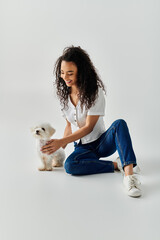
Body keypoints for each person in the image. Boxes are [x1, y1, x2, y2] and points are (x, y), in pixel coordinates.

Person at [41, 45, 141, 198]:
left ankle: (129, 177)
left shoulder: (95, 92)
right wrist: (57, 149)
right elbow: (69, 125)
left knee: (120, 124)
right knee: (70, 165)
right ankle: (117, 164)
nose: (65, 77)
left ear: (80, 72)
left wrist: (61, 141)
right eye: (62, 72)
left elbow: (88, 127)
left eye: (70, 73)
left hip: (102, 143)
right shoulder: (64, 96)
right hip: (82, 147)